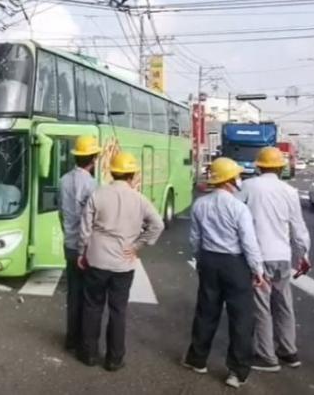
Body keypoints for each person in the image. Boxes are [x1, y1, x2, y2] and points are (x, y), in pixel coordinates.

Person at [77, 151, 165, 371]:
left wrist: (82, 252)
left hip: (97, 260)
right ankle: (114, 359)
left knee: (92, 307)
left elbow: (85, 229)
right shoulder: (139, 199)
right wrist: (137, 246)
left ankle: (89, 354)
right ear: (132, 174)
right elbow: (158, 225)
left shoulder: (98, 194)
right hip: (123, 264)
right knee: (118, 311)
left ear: (111, 171)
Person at [184, 157, 266, 389]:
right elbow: (248, 243)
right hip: (235, 264)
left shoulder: (200, 204)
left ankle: (197, 360)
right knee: (241, 318)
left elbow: (194, 239)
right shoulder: (239, 208)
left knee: (206, 312)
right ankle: (236, 372)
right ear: (231, 179)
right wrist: (257, 269)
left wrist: (200, 260)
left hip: (209, 260)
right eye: (237, 176)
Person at [239, 147, 311, 373]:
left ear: (259, 166)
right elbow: (298, 227)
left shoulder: (249, 187)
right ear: (281, 167)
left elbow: (234, 214)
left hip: (259, 257)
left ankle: (266, 356)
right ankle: (289, 352)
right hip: (282, 256)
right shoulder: (289, 191)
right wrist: (304, 255)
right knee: (284, 305)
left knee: (261, 307)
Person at [58, 135, 101, 352]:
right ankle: (85, 339)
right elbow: (92, 220)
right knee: (89, 296)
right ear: (93, 159)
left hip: (69, 243)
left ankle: (71, 338)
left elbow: (60, 212)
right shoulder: (93, 185)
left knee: (73, 293)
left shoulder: (63, 180)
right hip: (86, 247)